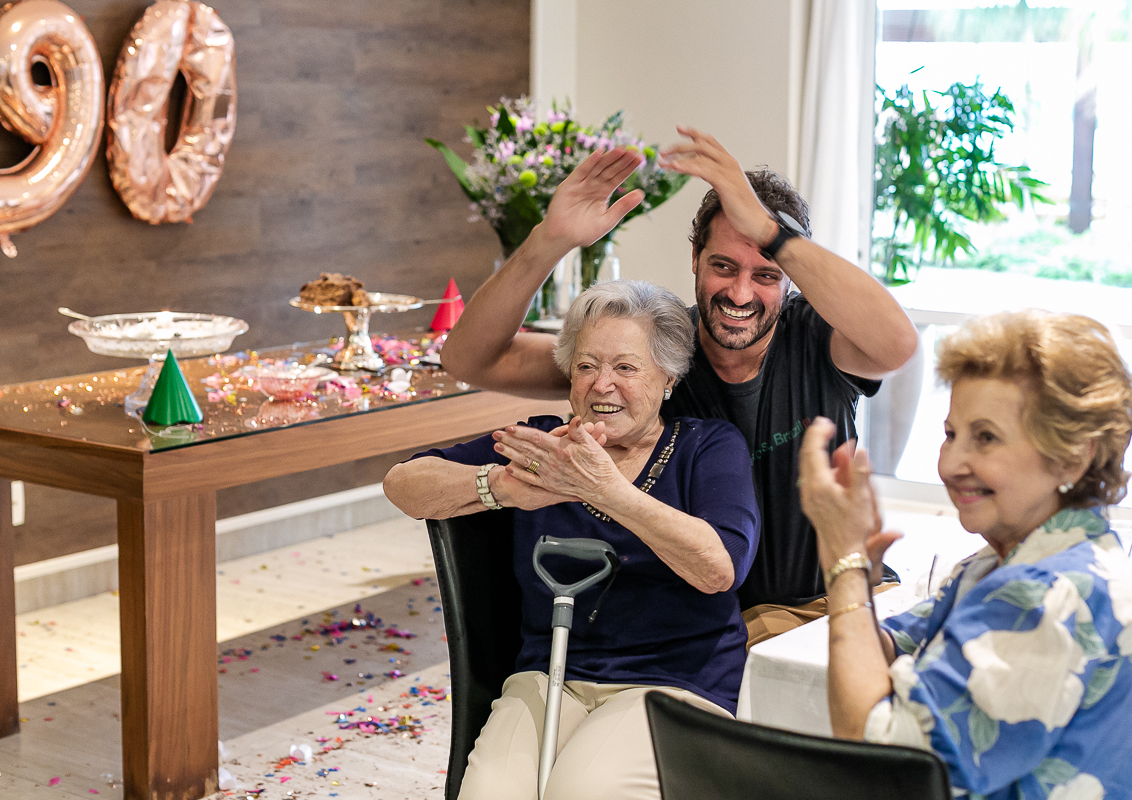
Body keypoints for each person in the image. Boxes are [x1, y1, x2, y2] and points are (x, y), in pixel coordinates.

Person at [440, 127, 919, 645]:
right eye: (723, 266)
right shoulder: (654, 356)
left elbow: (897, 346)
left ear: (788, 278)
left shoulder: (819, 337)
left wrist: (771, 231)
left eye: (766, 274)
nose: (740, 292)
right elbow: (471, 359)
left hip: (834, 601)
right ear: (694, 259)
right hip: (721, 625)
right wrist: (548, 241)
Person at [385, 280, 759, 800]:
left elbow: (719, 568)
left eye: (626, 368)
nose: (602, 385)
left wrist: (606, 489)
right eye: (586, 366)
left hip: (673, 681)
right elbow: (402, 484)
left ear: (669, 378)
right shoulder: (540, 446)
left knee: (584, 789)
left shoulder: (708, 446)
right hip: (551, 672)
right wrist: (501, 487)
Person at [799, 310, 1132, 799]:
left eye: (986, 437)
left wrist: (843, 562)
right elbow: (893, 651)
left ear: (1072, 456)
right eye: (951, 434)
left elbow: (885, 762)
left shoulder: (1048, 595)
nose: (951, 464)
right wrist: (862, 580)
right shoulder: (1008, 562)